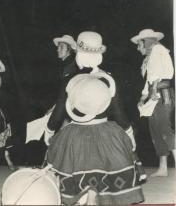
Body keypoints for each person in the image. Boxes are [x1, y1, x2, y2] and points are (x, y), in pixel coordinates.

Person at [46, 73, 145, 205]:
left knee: (72, 160)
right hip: (105, 133)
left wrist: (49, 131)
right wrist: (129, 133)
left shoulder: (70, 79)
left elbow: (58, 112)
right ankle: (93, 193)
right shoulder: (107, 79)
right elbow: (119, 113)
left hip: (75, 135)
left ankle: (86, 193)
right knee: (107, 159)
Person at [131, 29, 175, 177]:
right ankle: (163, 168)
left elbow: (169, 73)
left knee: (164, 129)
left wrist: (155, 86)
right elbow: (149, 81)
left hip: (163, 95)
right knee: (155, 129)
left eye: (139, 44)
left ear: (147, 42)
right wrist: (144, 96)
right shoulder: (149, 57)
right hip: (153, 95)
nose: (138, 48)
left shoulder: (159, 50)